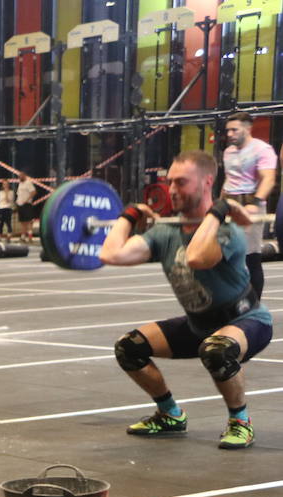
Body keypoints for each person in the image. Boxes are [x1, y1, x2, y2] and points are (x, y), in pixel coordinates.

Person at [98, 149, 268, 450]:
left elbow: (197, 256)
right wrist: (130, 214)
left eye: (181, 182)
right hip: (198, 325)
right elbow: (111, 253)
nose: (172, 189)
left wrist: (217, 212)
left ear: (207, 182)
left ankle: (240, 421)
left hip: (244, 322)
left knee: (216, 351)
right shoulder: (165, 232)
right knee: (129, 348)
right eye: (170, 182)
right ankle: (170, 415)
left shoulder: (228, 231)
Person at [221, 111, 276, 301]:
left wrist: (255, 203)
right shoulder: (228, 152)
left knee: (250, 256)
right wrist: (218, 205)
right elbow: (229, 180)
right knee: (227, 256)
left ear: (247, 128)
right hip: (229, 204)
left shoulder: (263, 149)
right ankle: (231, 299)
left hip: (250, 204)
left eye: (234, 130)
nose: (229, 134)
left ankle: (254, 303)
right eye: (228, 131)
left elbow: (268, 178)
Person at [15, 172, 37, 241]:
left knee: (29, 220)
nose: (19, 177)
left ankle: (30, 236)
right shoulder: (20, 184)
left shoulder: (28, 183)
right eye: (19, 176)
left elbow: (33, 192)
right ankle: (23, 236)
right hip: (20, 204)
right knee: (22, 221)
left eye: (21, 176)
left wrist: (27, 200)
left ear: (24, 176)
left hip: (26, 204)